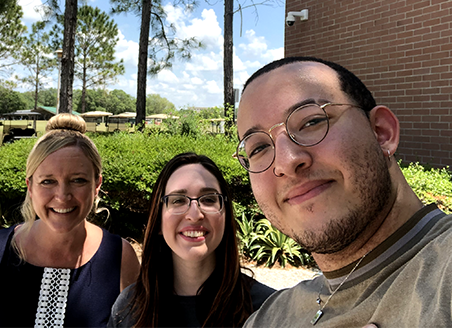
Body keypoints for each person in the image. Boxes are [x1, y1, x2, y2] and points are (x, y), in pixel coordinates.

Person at [234, 56, 452, 327]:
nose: (286, 161)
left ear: (381, 132)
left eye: (312, 122)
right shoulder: (267, 319)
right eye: (258, 148)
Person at [0, 113, 140, 327]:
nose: (62, 195)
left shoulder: (120, 258)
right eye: (47, 181)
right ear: (30, 186)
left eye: (78, 180)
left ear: (97, 185)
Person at [108, 152, 275, 327]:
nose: (195, 215)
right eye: (178, 200)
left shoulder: (268, 310)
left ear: (226, 216)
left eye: (209, 199)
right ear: (158, 220)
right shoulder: (128, 310)